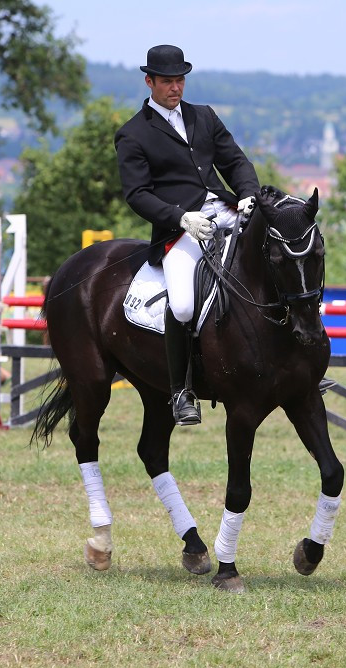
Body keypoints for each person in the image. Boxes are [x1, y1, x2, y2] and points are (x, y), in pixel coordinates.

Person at [115, 44, 260, 426]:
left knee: (278, 258)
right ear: (150, 82)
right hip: (181, 230)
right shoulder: (132, 134)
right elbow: (137, 194)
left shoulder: (204, 116)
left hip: (227, 213)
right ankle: (181, 390)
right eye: (167, 81)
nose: (175, 88)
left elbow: (235, 161)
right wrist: (180, 218)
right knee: (181, 305)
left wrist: (248, 196)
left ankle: (301, 361)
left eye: (180, 80)